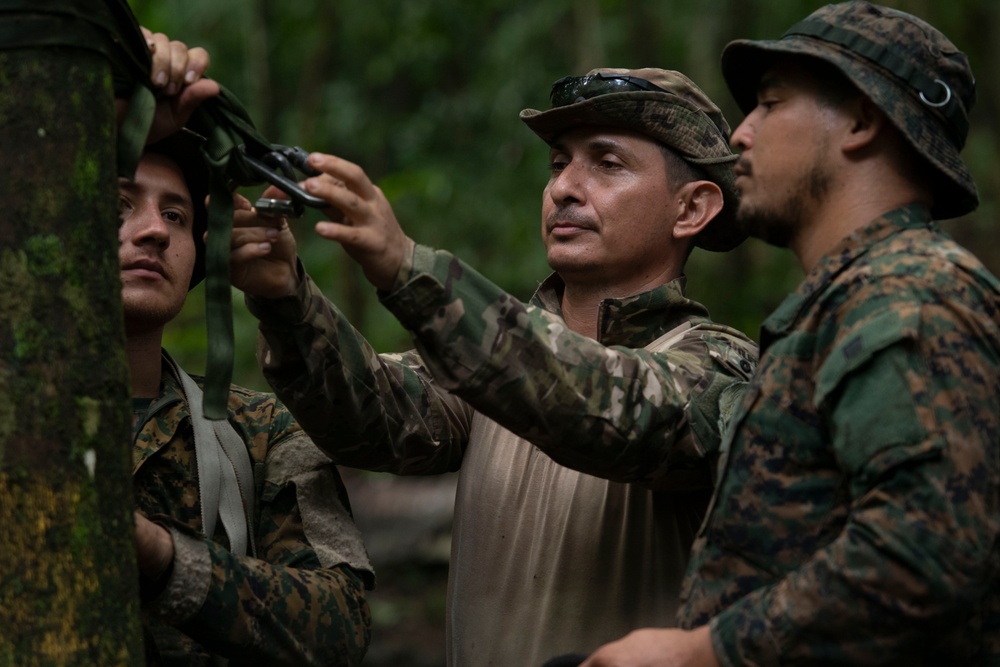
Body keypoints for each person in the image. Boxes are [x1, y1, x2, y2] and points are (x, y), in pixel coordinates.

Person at [231, 68, 758, 665]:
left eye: (607, 164)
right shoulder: (490, 362)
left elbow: (614, 406)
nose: (565, 188)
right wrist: (283, 298)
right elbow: (372, 419)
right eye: (559, 164)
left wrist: (408, 268)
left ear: (691, 209)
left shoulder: (722, 366)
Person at [580, 3, 1000, 666]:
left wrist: (703, 651)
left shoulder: (911, 294)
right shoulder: (848, 301)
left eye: (770, 104)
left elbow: (926, 552)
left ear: (861, 121)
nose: (740, 135)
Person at [121, 34, 374, 666]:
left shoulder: (257, 433)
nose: (154, 229)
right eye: (116, 206)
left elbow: (339, 629)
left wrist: (164, 558)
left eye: (177, 216)